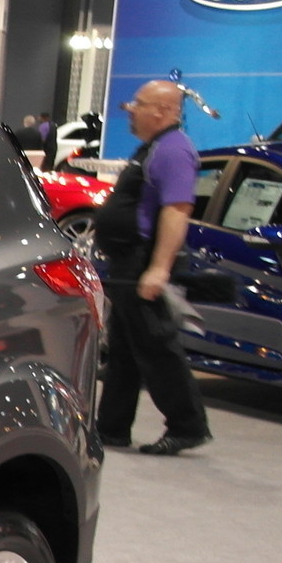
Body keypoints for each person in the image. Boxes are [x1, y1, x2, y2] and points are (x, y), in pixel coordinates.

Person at [93, 80, 210, 456]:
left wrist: (158, 269)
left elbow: (177, 211)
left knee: (157, 347)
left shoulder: (174, 150)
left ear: (161, 110)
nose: (130, 110)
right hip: (128, 261)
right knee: (125, 350)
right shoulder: (154, 148)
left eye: (137, 104)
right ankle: (111, 427)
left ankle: (188, 426)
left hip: (142, 260)